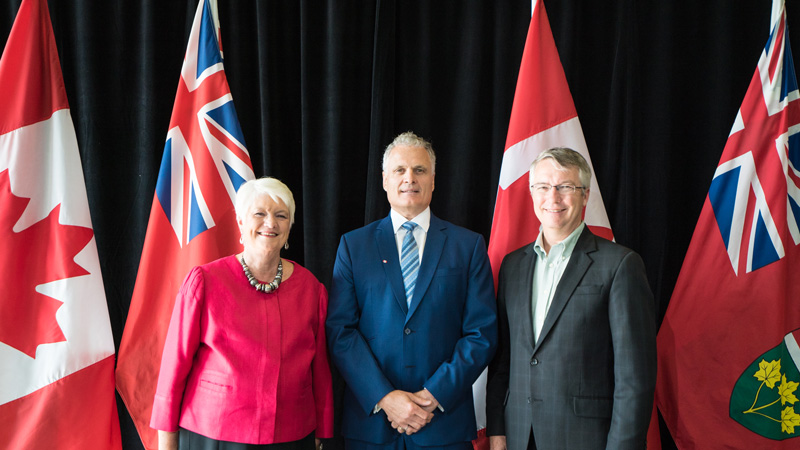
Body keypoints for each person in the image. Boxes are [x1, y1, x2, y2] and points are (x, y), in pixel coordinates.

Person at [326, 132, 497, 450]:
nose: (410, 178)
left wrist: (434, 396)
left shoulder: (468, 245)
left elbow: (481, 333)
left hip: (444, 425)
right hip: (372, 426)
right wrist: (385, 397)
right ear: (384, 180)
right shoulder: (353, 245)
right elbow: (340, 331)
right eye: (400, 170)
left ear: (433, 180)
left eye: (420, 170)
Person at [486, 148, 656, 450]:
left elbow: (634, 379)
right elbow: (504, 360)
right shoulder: (512, 266)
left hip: (587, 439)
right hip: (519, 435)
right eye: (543, 187)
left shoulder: (620, 265)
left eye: (565, 187)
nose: (553, 198)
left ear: (585, 195)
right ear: (531, 192)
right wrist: (497, 428)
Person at [150, 177, 334, 450]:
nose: (270, 223)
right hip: (214, 433)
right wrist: (166, 442)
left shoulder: (311, 288)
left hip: (292, 434)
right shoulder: (204, 281)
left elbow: (320, 368)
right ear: (240, 222)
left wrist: (324, 429)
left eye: (281, 215)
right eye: (259, 213)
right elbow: (173, 368)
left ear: (290, 226)